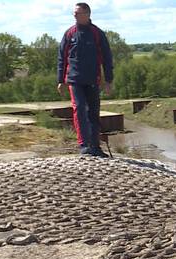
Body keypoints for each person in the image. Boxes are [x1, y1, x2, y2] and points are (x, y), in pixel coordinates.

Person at [57, 2, 114, 158]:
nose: (75, 15)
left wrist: (109, 80)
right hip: (74, 80)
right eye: (74, 13)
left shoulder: (97, 34)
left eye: (78, 13)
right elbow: (62, 58)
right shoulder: (69, 34)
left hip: (93, 80)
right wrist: (61, 80)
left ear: (87, 14)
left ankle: (95, 146)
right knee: (80, 108)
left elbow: (107, 58)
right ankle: (84, 145)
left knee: (94, 113)